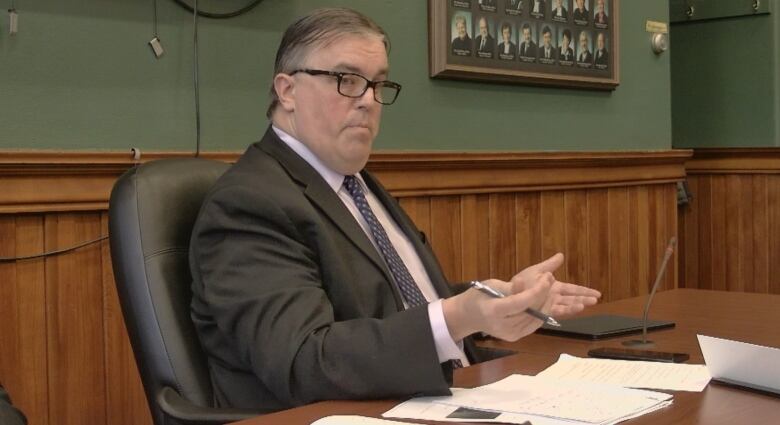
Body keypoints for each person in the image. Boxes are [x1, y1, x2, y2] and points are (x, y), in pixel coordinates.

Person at [190, 7, 601, 413]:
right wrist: (457, 316)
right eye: (347, 80)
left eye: (378, 84)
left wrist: (493, 301)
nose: (369, 101)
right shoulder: (250, 202)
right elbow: (303, 360)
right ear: (287, 90)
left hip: (440, 396)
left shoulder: (355, 182)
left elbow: (391, 305)